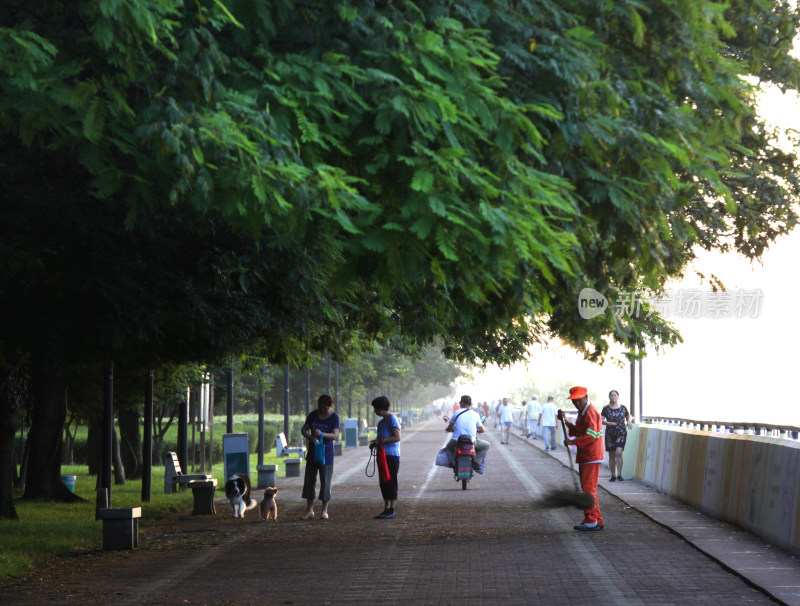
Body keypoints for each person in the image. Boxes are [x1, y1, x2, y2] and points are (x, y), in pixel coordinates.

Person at [558, 386, 604, 531]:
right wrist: (565, 421)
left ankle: (591, 520)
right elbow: (578, 430)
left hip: (591, 455)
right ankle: (597, 519)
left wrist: (573, 442)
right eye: (574, 401)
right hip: (587, 455)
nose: (576, 403)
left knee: (588, 489)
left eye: (579, 400)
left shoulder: (590, 412)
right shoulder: (583, 412)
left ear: (586, 398)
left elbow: (591, 435)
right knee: (590, 489)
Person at [300, 394, 340, 520]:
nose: (321, 410)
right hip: (312, 453)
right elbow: (304, 429)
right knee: (309, 481)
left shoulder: (334, 417)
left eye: (324, 408)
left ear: (330, 406)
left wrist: (322, 434)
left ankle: (324, 511)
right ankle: (309, 510)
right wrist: (309, 437)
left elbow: (335, 435)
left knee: (325, 482)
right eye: (319, 407)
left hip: (326, 455)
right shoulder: (313, 415)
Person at [369, 396, 401, 519]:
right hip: (382, 454)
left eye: (375, 409)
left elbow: (397, 437)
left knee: (391, 480)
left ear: (381, 409)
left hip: (391, 455)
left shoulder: (392, 419)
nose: (375, 412)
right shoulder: (381, 423)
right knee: (384, 482)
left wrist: (382, 441)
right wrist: (375, 443)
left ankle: (392, 508)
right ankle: (386, 507)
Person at [445, 395, 490, 467]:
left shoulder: (457, 412)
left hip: (457, 441)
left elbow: (450, 427)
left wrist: (447, 429)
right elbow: (482, 429)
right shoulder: (475, 414)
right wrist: (479, 430)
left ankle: (453, 462)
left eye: (460, 403)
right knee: (486, 445)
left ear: (462, 403)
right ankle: (477, 462)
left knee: (448, 448)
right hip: (472, 441)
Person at [601, 389, 633, 482]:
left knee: (619, 452)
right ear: (609, 397)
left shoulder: (623, 407)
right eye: (611, 395)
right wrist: (609, 423)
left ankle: (619, 474)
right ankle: (613, 475)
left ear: (618, 397)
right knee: (612, 454)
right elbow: (601, 419)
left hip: (621, 432)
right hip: (610, 433)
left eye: (615, 395)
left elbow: (628, 415)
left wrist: (629, 421)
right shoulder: (606, 409)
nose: (613, 397)